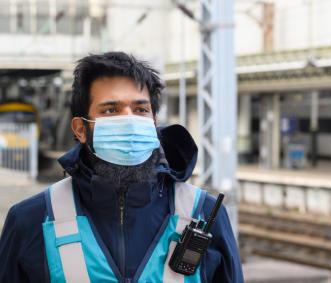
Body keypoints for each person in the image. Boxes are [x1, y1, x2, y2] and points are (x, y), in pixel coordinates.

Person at [0, 52, 244, 283]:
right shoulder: (30, 220)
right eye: (111, 110)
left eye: (141, 110)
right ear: (80, 129)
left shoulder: (204, 215)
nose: (129, 120)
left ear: (154, 124)